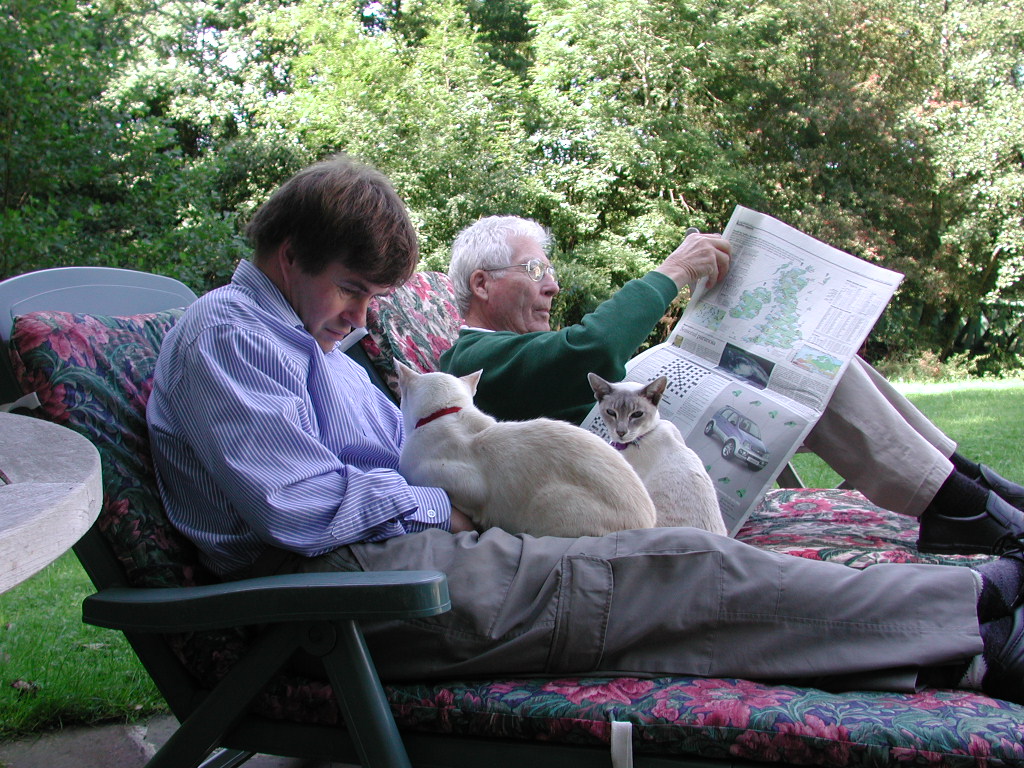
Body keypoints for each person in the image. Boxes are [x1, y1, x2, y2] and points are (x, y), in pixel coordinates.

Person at [148, 154, 1024, 705]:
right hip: (346, 598)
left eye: (376, 301)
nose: (362, 318)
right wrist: (441, 506)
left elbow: (407, 464)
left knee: (668, 581)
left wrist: (450, 498)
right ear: (291, 255)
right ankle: (976, 607)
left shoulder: (314, 343)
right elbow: (302, 509)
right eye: (352, 291)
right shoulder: (228, 333)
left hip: (398, 561)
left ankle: (963, 642)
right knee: (669, 572)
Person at [440, 215, 1024, 556]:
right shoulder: (471, 357)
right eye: (537, 270)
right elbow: (591, 350)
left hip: (645, 463)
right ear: (483, 283)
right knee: (800, 379)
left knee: (813, 368)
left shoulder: (517, 352)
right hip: (633, 488)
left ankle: (974, 487)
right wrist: (672, 272)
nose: (552, 286)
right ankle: (968, 511)